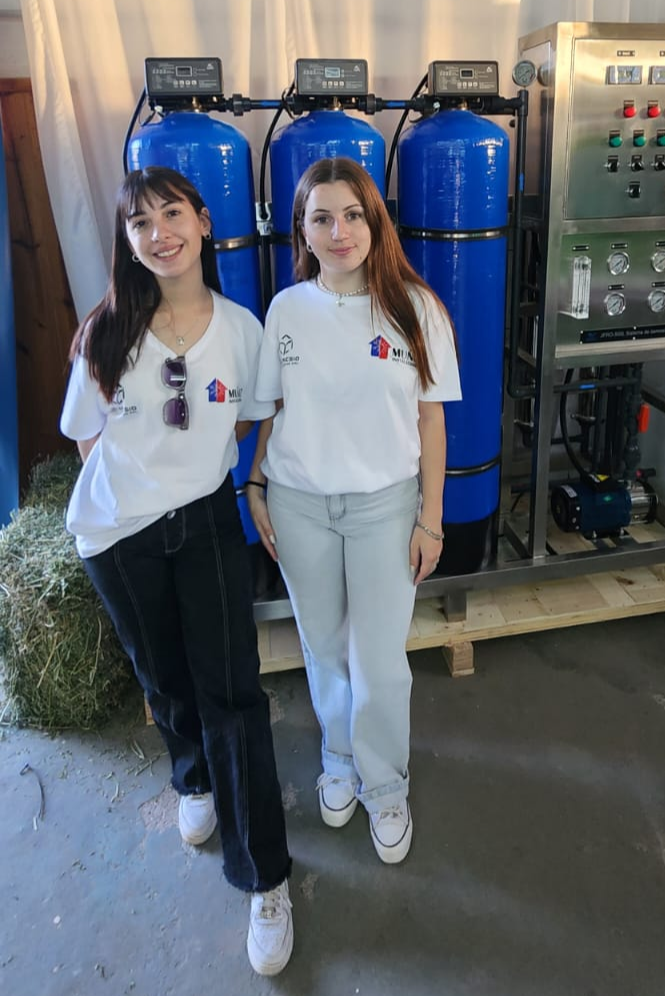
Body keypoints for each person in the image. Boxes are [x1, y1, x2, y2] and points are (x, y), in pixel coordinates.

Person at [59, 166, 293, 976]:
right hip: (117, 534)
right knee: (162, 677)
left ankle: (264, 876)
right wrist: (132, 494)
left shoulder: (241, 328)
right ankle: (191, 777)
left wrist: (220, 477)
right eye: (140, 223)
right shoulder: (106, 331)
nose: (159, 233)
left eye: (171, 213)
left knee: (233, 692)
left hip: (204, 523)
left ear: (202, 221)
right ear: (126, 242)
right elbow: (86, 436)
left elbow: (254, 419)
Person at [247, 157, 461, 865]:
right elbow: (273, 408)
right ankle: (338, 757)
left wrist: (431, 519)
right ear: (301, 231)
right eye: (321, 218)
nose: (338, 232)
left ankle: (385, 783)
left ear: (375, 222)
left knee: (378, 658)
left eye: (352, 215)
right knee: (323, 646)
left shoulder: (415, 308)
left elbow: (431, 421)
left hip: (384, 508)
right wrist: (255, 485)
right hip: (299, 504)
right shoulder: (286, 310)